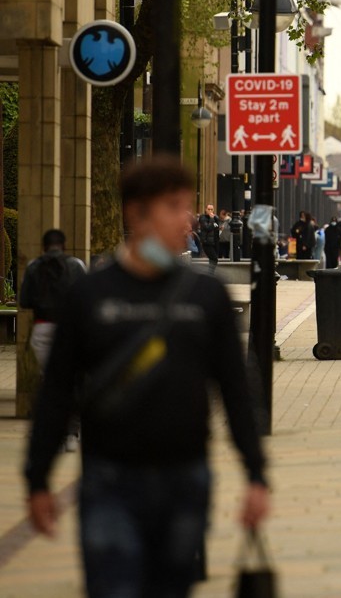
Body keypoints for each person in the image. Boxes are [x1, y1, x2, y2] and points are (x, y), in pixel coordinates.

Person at [23, 156, 269, 598]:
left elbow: (236, 388)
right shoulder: (91, 295)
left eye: (187, 206)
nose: (187, 219)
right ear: (136, 213)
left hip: (186, 478)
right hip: (109, 479)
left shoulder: (205, 296)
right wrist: (37, 478)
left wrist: (255, 473)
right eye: (173, 207)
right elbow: (57, 390)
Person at [20, 229, 88, 452]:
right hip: (69, 330)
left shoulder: (33, 266)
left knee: (50, 382)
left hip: (42, 328)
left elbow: (25, 300)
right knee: (72, 381)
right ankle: (71, 433)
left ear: (43, 246)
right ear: (64, 245)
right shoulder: (76, 265)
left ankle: (51, 434)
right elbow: (86, 297)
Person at [197, 203, 220, 271]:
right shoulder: (202, 217)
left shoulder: (215, 218)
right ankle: (210, 274)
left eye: (211, 209)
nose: (210, 211)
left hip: (215, 242)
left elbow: (216, 227)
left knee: (212, 259)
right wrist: (212, 219)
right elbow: (208, 228)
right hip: (207, 242)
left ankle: (210, 273)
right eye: (208, 209)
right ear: (205, 209)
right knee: (214, 259)